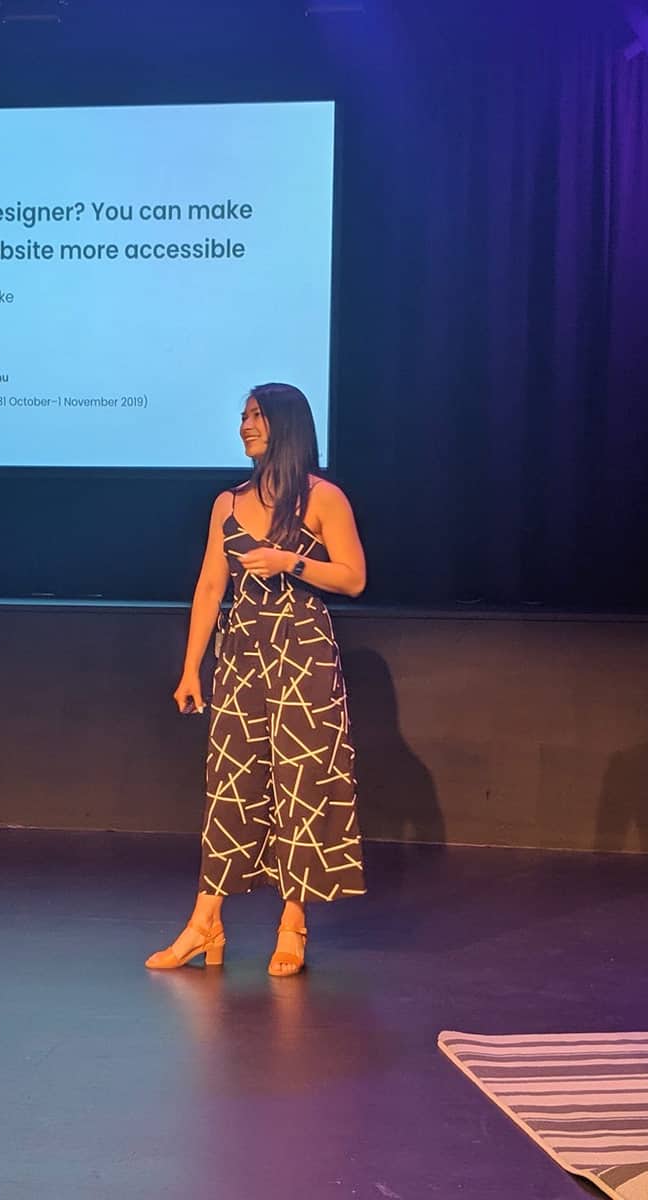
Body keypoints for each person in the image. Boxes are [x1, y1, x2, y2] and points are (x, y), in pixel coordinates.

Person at [146, 383, 368, 977]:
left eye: (258, 416)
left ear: (287, 425)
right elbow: (210, 588)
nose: (246, 424)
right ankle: (205, 923)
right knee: (231, 781)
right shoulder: (228, 502)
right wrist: (192, 666)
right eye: (243, 415)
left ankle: (293, 924)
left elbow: (352, 578)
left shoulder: (323, 498)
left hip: (303, 653)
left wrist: (289, 561)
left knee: (302, 780)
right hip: (242, 652)